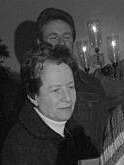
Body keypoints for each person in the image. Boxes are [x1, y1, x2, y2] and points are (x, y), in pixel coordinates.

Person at [37, 7, 108, 154]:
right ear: (40, 43)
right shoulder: (33, 88)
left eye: (66, 37)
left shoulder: (92, 85)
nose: (61, 43)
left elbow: (106, 133)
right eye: (53, 37)